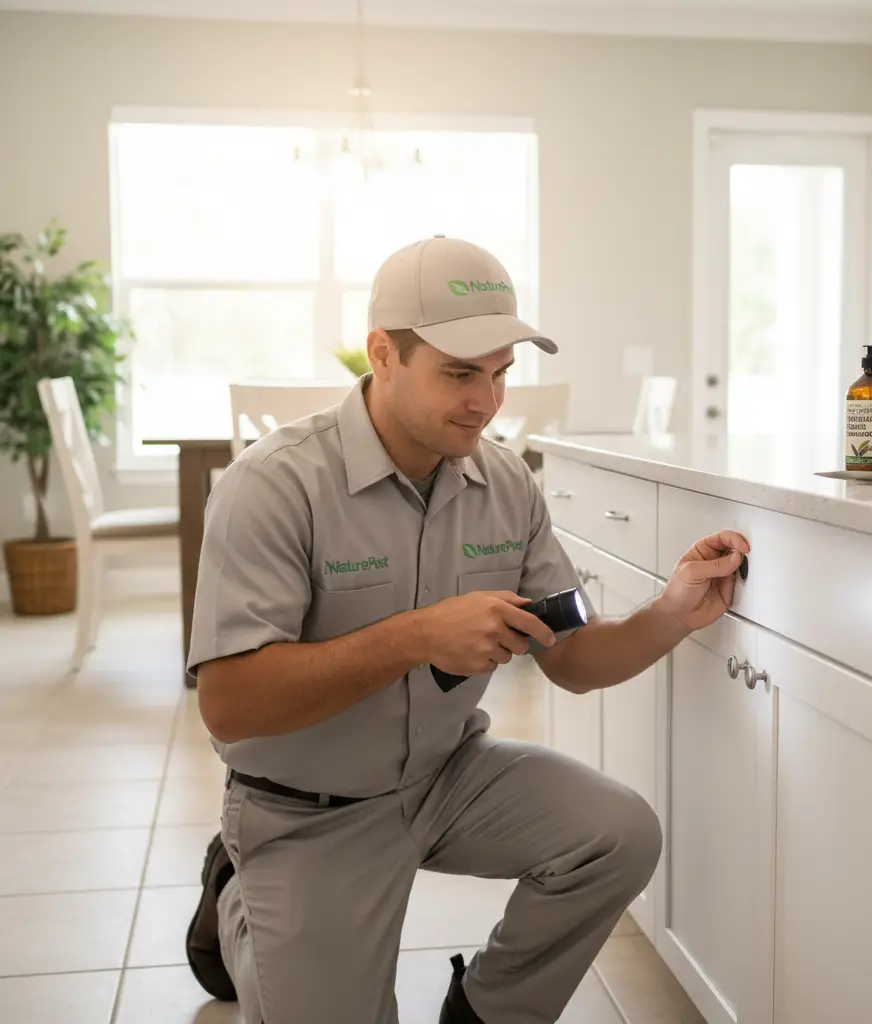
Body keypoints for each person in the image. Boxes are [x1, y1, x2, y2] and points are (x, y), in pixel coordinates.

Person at [184, 234, 750, 1024]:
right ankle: (239, 898)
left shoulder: (506, 482)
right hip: (308, 808)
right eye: (458, 373)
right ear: (382, 355)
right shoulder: (273, 486)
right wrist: (416, 635)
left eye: (499, 374)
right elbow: (230, 704)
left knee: (619, 834)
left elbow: (575, 658)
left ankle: (484, 1014)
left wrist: (671, 612)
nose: (485, 402)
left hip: (449, 776)